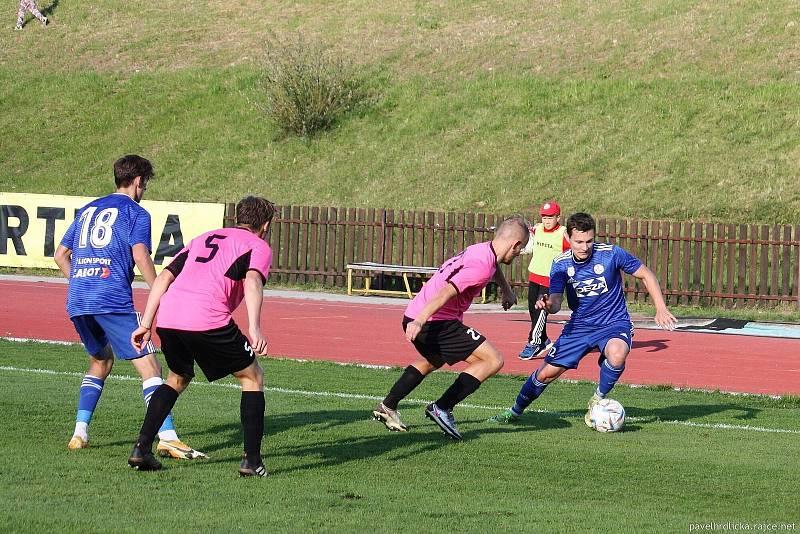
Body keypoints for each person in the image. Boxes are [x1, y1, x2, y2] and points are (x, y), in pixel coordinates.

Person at [54, 155, 204, 460]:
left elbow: (60, 255)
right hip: (110, 298)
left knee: (101, 362)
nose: (144, 189)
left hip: (78, 299)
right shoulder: (136, 212)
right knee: (151, 366)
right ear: (138, 181)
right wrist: (158, 290)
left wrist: (82, 282)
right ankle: (168, 436)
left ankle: (80, 433)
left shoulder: (87, 210)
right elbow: (140, 255)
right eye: (145, 183)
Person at [127, 196, 275, 477]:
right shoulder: (258, 245)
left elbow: (163, 278)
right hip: (207, 318)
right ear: (265, 225)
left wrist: (146, 323)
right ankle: (251, 461)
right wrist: (254, 328)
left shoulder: (202, 238)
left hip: (170, 317)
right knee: (252, 377)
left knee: (177, 377)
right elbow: (253, 280)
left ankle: (141, 449)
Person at [488, 212, 677, 427]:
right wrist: (549, 304)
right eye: (579, 242)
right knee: (545, 374)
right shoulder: (560, 263)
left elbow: (646, 274)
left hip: (613, 322)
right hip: (579, 327)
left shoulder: (611, 254)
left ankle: (598, 398)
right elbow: (557, 302)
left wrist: (660, 308)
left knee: (617, 354)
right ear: (568, 239)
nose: (585, 247)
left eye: (589, 241)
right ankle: (515, 411)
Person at [372, 217, 530, 440]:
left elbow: (494, 268)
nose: (518, 254)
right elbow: (447, 291)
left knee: (433, 360)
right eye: (520, 249)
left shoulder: (483, 249)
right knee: (492, 360)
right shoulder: (482, 266)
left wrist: (506, 290)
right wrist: (420, 321)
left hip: (415, 314)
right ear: (514, 245)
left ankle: (388, 406)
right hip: (433, 320)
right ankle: (442, 407)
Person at [518, 201, 570, 360]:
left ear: (558, 217)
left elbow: (569, 255)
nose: (547, 220)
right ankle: (544, 339)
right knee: (534, 311)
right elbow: (529, 241)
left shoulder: (563, 234)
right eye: (544, 217)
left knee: (542, 311)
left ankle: (533, 342)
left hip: (551, 279)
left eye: (550, 217)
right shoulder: (537, 229)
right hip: (535, 275)